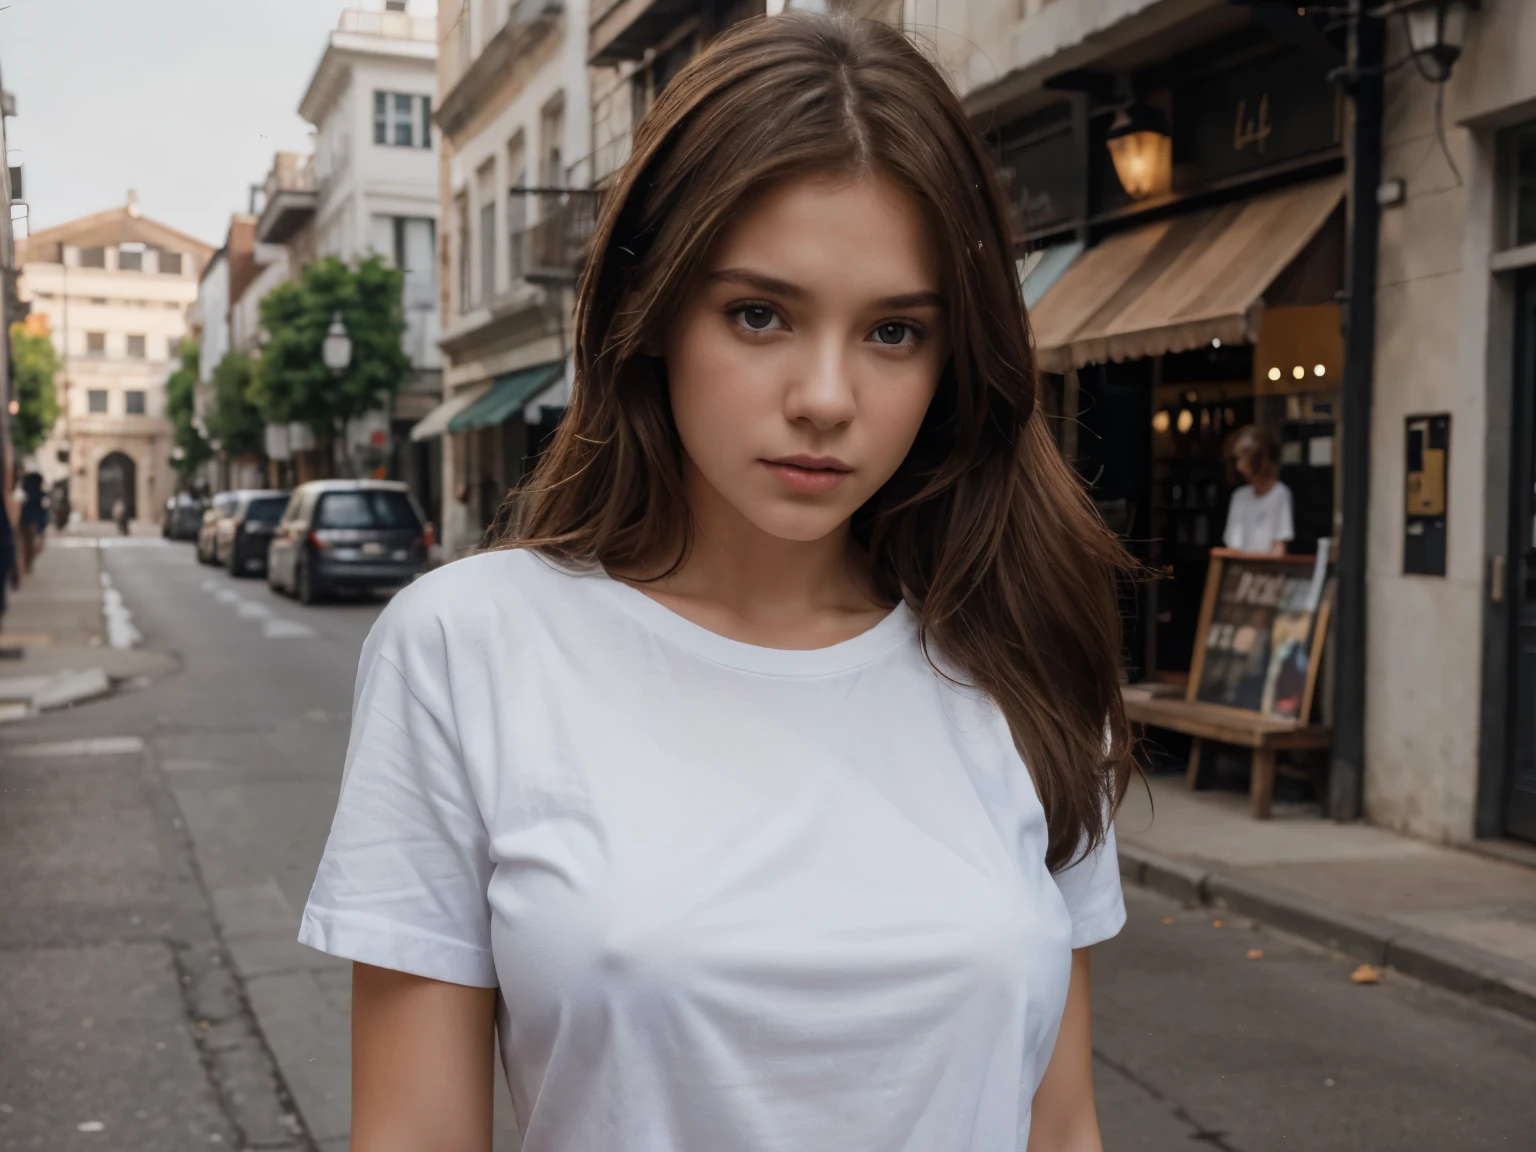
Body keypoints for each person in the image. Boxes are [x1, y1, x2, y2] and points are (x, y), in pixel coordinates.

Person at [300, 14, 1136, 1152]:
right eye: (760, 314)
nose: (827, 396)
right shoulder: (471, 647)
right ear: (651, 317)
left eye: (894, 331)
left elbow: (1064, 1124)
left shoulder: (1021, 654)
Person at [1223, 423, 1294, 556]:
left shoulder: (1280, 494)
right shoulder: (1239, 496)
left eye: (1243, 458)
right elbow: (1233, 546)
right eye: (1238, 458)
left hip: (1267, 572)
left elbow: (1279, 547)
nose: (1239, 466)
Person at [18, 472, 48, 574]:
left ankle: (27, 565)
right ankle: (27, 565)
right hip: (31, 522)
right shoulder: (39, 495)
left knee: (28, 545)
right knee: (29, 545)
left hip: (28, 522)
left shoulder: (28, 495)